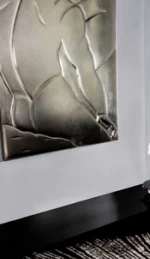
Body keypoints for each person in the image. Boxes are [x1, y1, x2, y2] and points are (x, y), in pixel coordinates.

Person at [0, 0, 116, 159]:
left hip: (19, 112)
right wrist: (101, 113)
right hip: (53, 105)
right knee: (108, 154)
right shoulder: (62, 9)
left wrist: (90, 112)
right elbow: (85, 71)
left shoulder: (4, 11)